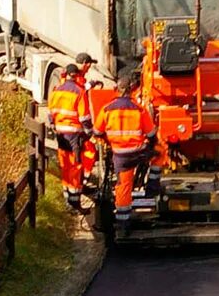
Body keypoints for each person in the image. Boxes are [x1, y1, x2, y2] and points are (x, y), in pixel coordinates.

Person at [95, 70, 157, 228]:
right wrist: (150, 147)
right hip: (138, 152)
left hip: (120, 155)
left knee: (124, 185)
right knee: (160, 154)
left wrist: (108, 141)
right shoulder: (139, 109)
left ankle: (123, 219)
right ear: (131, 90)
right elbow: (151, 133)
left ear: (117, 89)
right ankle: (152, 186)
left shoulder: (107, 109)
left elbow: (97, 131)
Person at [46, 62, 93, 211]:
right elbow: (84, 117)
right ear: (77, 75)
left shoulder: (56, 91)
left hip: (60, 133)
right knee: (75, 166)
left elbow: (50, 114)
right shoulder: (79, 92)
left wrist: (55, 125)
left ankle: (67, 198)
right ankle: (74, 203)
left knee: (65, 164)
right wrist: (89, 132)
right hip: (74, 134)